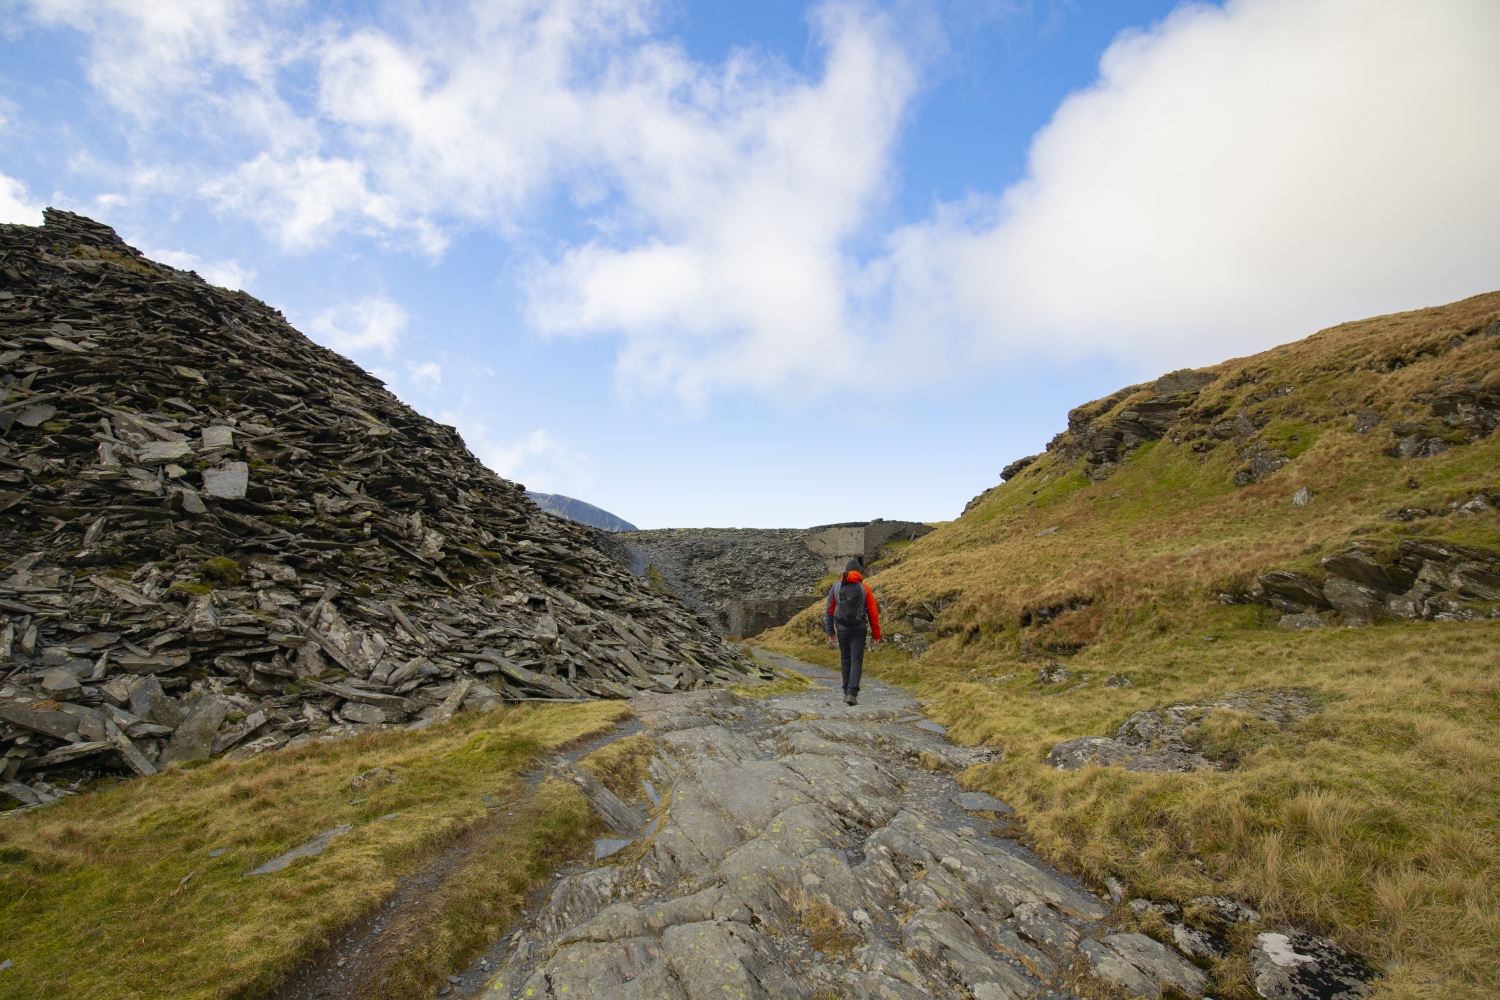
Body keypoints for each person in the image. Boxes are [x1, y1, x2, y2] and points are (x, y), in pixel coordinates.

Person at [824, 558, 880, 706]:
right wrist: (876, 634)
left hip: (842, 628)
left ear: (846, 571)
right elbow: (873, 613)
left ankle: (845, 691)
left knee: (845, 658)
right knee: (856, 659)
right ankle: (852, 693)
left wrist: (830, 631)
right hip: (859, 628)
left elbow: (829, 611)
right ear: (860, 573)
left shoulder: (836, 587)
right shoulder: (864, 588)